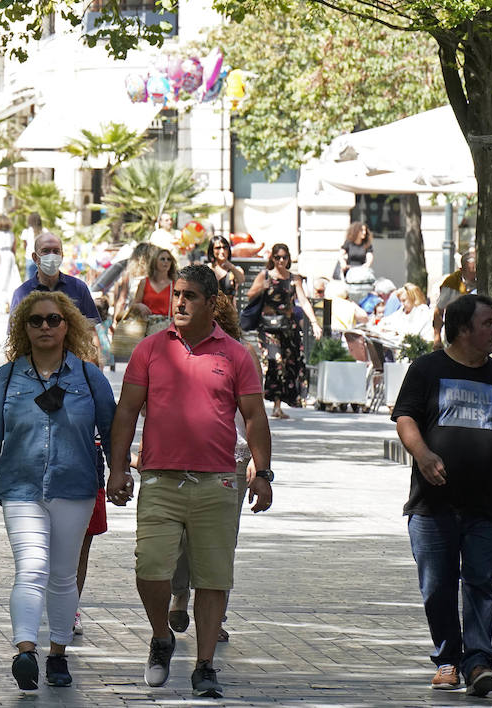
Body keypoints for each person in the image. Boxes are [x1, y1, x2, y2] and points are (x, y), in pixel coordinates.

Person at [107, 263, 273, 699]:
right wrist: (118, 467)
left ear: (211, 302)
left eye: (189, 296)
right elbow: (125, 412)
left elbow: (254, 416)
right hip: (160, 478)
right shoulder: (150, 349)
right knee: (150, 569)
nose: (179, 302)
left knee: (213, 578)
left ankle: (204, 665)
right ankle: (161, 636)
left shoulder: (235, 354)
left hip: (217, 481)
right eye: (176, 294)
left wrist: (263, 472)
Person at [0, 290, 116, 691]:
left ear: (68, 325)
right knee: (32, 567)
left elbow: (112, 428)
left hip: (76, 487)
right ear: (24, 328)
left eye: (53, 319)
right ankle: (25, 651)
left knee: (63, 575)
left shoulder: (89, 376)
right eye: (36, 321)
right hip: (20, 487)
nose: (45, 327)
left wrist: (120, 471)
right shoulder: (7, 375)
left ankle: (57, 654)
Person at [392, 293, 492, 696]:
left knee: (480, 583)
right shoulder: (427, 369)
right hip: (432, 506)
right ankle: (448, 659)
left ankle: (478, 663)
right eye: (489, 323)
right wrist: (423, 454)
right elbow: (405, 418)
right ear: (463, 328)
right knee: (437, 587)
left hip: (487, 505)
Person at [167, 292, 261, 644]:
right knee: (181, 535)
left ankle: (214, 616)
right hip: (183, 455)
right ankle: (179, 592)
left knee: (221, 541)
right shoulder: (173, 350)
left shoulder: (242, 354)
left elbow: (254, 414)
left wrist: (257, 460)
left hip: (230, 458)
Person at [245, 243, 321, 419]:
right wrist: (261, 288)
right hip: (268, 328)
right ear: (272, 258)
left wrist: (314, 322)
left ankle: (278, 405)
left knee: (288, 364)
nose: (281, 261)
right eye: (277, 257)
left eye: (284, 257)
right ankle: (274, 403)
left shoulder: (294, 279)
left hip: (288, 327)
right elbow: (250, 295)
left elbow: (303, 301)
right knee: (275, 361)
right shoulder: (265, 276)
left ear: (288, 259)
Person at [11, 231, 101, 324]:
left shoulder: (79, 288)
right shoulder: (22, 293)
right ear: (35, 257)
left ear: (62, 256)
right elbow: (14, 334)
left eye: (56, 251)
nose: (51, 255)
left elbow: (92, 329)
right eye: (45, 251)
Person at [129, 246, 178, 335]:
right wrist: (139, 306)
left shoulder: (175, 285)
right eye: (162, 259)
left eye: (169, 259)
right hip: (146, 328)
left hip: (166, 328)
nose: (166, 262)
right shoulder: (144, 282)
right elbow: (134, 305)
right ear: (155, 261)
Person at [432, 248, 476, 347]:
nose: (474, 275)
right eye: (471, 271)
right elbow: (439, 310)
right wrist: (437, 338)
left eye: (476, 271)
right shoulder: (451, 283)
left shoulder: (482, 282)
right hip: (456, 333)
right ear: (461, 270)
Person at [0, 213, 20, 314]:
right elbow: (14, 248)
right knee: (10, 280)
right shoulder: (11, 234)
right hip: (9, 255)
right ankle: (8, 302)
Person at [207, 235, 245, 306]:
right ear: (212, 250)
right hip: (210, 312)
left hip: (229, 312)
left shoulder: (234, 270)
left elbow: (241, 280)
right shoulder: (207, 269)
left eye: (225, 247)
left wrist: (231, 267)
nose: (222, 251)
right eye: (218, 248)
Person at [19, 212, 42, 281]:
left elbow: (25, 245)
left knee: (30, 279)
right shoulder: (44, 231)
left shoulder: (26, 231)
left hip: (30, 257)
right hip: (42, 258)